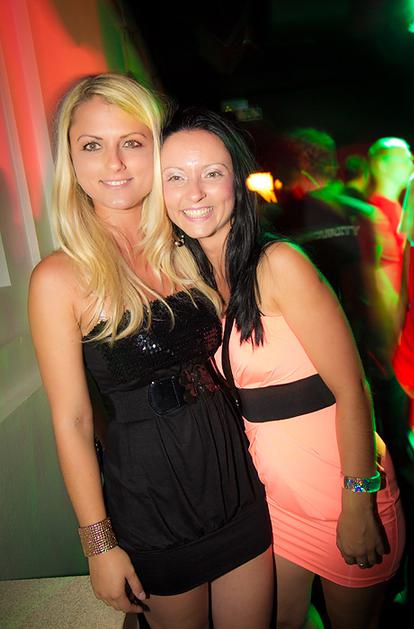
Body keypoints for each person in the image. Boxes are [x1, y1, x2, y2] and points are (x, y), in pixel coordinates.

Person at [28, 74, 274, 629]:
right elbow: (72, 421)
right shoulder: (59, 279)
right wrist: (99, 544)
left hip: (235, 480)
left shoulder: (189, 246)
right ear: (71, 160)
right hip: (153, 503)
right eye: (92, 145)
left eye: (132, 142)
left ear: (155, 149)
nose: (114, 163)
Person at [161, 108, 405, 629]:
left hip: (339, 489)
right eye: (175, 177)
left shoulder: (279, 264)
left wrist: (358, 501)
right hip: (269, 501)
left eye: (211, 173)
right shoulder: (189, 280)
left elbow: (353, 388)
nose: (194, 192)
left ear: (237, 180)